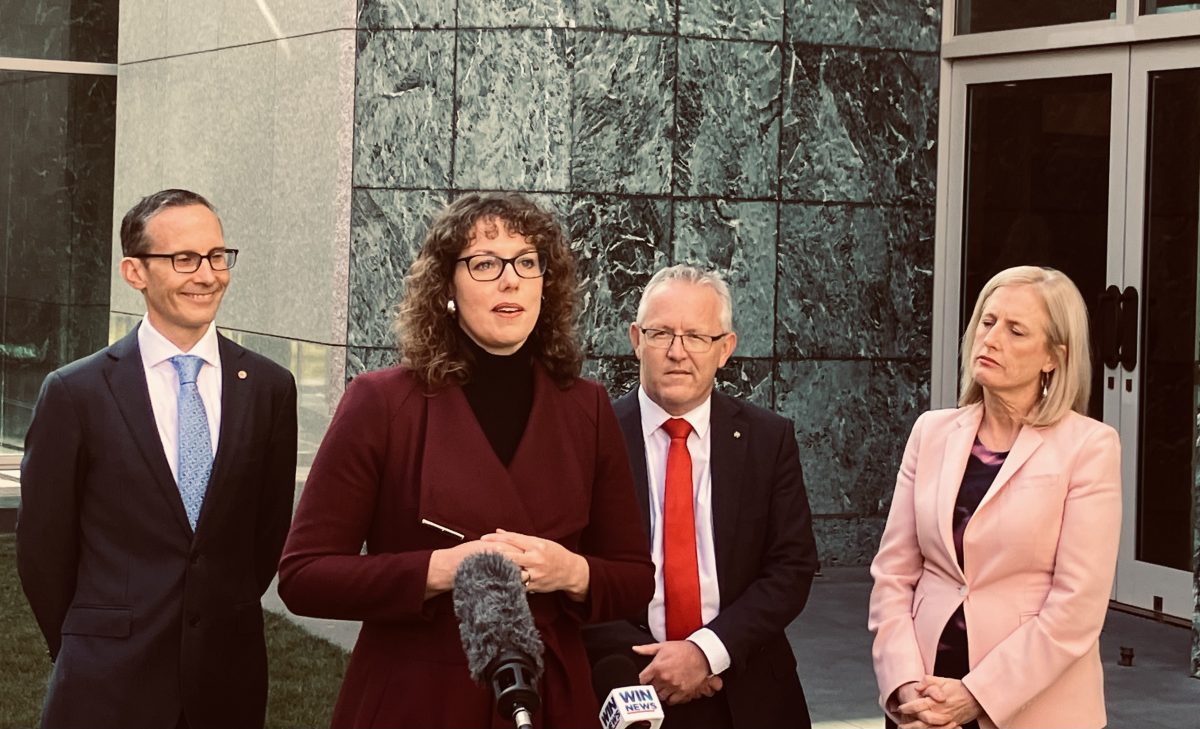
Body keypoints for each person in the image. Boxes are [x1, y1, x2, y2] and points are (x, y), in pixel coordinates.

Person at [277, 192, 655, 728]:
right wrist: (442, 570)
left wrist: (570, 571)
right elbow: (303, 575)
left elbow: (635, 578)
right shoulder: (382, 403)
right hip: (418, 698)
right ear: (446, 288)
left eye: (527, 262)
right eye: (485, 264)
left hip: (552, 697)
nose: (511, 280)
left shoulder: (587, 406)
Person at [17, 189, 299, 729]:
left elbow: (265, 535)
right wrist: (87, 640)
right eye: (184, 259)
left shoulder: (268, 387)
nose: (207, 274)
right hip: (105, 682)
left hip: (227, 682)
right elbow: (42, 550)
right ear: (135, 271)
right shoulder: (76, 392)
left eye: (218, 256)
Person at [869, 266, 1121, 729]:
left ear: (1053, 357)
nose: (991, 339)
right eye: (987, 322)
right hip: (923, 699)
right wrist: (904, 685)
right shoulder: (932, 432)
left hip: (1032, 707)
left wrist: (977, 695)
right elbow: (893, 574)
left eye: (1016, 330)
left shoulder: (1089, 447)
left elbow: (1076, 608)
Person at [583, 265, 819, 729]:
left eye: (696, 337)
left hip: (745, 685)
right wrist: (654, 665)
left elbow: (791, 568)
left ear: (724, 349)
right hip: (628, 688)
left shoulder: (768, 439)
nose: (677, 352)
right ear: (635, 339)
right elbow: (575, 572)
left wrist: (704, 653)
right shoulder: (590, 437)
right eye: (661, 334)